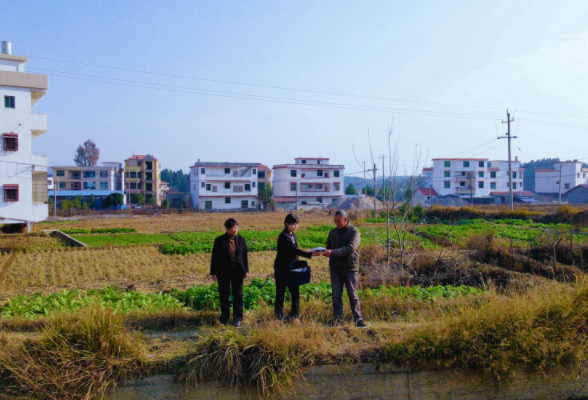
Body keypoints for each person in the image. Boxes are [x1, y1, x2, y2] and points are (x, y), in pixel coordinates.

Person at [322, 210, 366, 327]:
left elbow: (351, 248)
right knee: (336, 296)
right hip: (335, 268)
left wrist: (333, 253)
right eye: (335, 221)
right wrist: (322, 252)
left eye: (338, 221)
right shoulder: (333, 233)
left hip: (349, 268)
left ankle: (358, 319)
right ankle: (338, 320)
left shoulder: (354, 232)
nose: (336, 223)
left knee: (352, 294)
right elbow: (328, 247)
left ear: (345, 220)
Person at [273, 214, 315, 321]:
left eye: (297, 224)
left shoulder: (293, 235)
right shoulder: (283, 236)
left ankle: (294, 315)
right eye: (293, 224)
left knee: (295, 292)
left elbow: (296, 250)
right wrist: (310, 254)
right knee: (280, 292)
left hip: (293, 267)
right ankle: (279, 316)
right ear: (287, 224)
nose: (295, 226)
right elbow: (294, 250)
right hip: (282, 268)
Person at [210, 218, 249, 327]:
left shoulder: (241, 240)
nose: (236, 230)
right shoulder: (219, 240)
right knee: (224, 295)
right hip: (223, 271)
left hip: (238, 270)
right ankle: (224, 317)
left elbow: (244, 256)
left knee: (238, 294)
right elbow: (215, 257)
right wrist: (214, 272)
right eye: (233, 228)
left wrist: (246, 270)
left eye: (237, 227)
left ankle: (238, 317)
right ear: (227, 229)